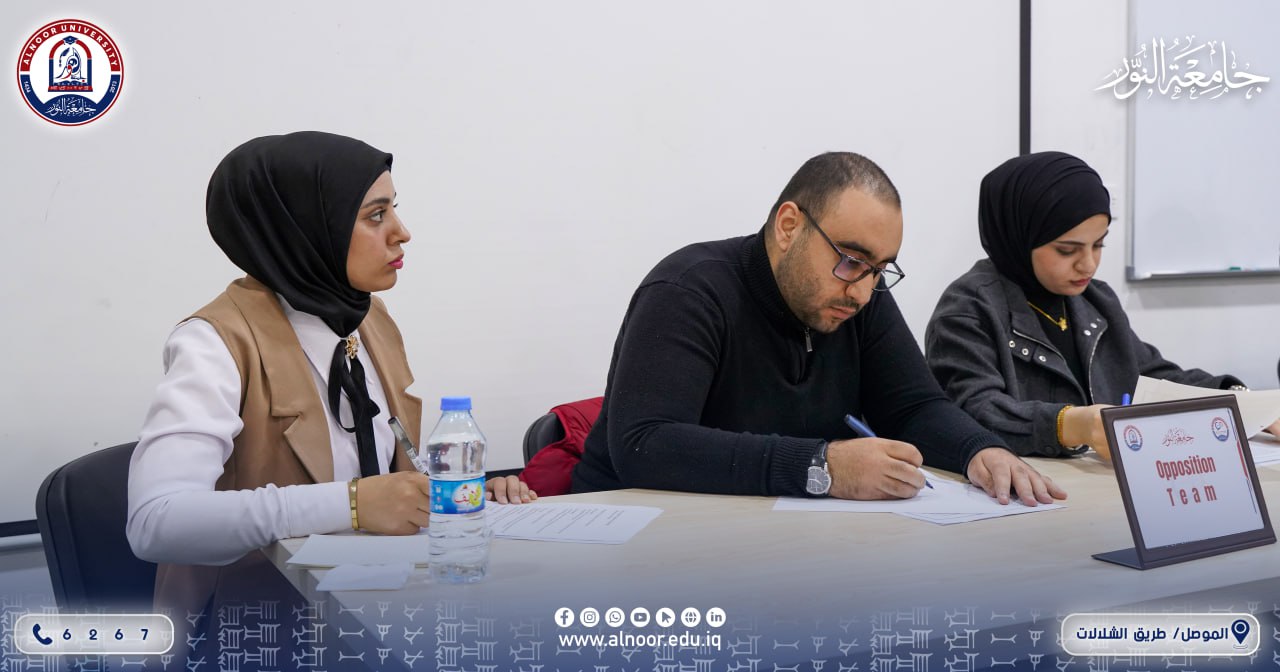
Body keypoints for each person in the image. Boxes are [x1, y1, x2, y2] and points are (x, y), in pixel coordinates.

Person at [127, 132, 534, 623]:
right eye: (375, 216)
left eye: (394, 209)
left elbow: (381, 473)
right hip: (260, 626)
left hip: (378, 605)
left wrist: (457, 494)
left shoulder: (367, 318)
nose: (402, 232)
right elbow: (156, 522)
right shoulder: (214, 342)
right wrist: (354, 504)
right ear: (302, 227)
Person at [571, 152, 1065, 506]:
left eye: (880, 269)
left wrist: (979, 449)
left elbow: (913, 406)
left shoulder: (860, 295)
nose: (864, 291)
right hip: (638, 537)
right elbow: (646, 445)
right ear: (789, 226)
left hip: (775, 539)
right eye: (851, 260)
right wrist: (822, 467)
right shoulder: (688, 290)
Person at [924, 151, 1279, 460]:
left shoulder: (1096, 300)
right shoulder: (968, 310)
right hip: (1026, 492)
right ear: (1017, 237)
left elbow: (1154, 378)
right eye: (1067, 250)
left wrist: (1243, 401)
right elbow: (972, 411)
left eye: (1099, 245)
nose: (1088, 264)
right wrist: (1071, 425)